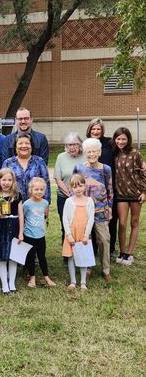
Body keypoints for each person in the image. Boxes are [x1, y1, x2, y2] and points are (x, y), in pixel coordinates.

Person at [73, 138, 113, 281]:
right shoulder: (79, 168)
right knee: (86, 240)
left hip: (100, 211)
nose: (91, 154)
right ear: (84, 153)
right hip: (83, 210)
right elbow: (74, 189)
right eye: (88, 151)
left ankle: (106, 269)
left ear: (99, 152)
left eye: (94, 151)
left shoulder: (105, 169)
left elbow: (110, 191)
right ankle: (87, 267)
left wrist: (109, 208)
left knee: (104, 239)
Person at [112, 127, 146, 265]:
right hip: (121, 194)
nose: (121, 141)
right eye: (118, 138)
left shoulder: (135, 154)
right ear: (115, 139)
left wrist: (144, 192)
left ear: (128, 139)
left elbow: (143, 174)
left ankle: (129, 254)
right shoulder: (113, 154)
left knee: (134, 222)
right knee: (122, 223)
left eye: (123, 139)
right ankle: (121, 252)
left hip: (136, 194)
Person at [0, 169, 24, 295]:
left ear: (13, 181)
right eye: (4, 180)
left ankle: (12, 283)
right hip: (1, 228)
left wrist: (21, 233)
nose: (6, 183)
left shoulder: (17, 196)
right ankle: (4, 284)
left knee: (13, 257)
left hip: (14, 227)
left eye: (9, 180)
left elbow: (21, 215)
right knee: (2, 257)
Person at [86, 118, 119, 255]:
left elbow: (122, 154)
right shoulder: (86, 143)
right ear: (89, 130)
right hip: (90, 190)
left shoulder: (110, 143)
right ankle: (92, 249)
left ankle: (109, 249)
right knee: (91, 220)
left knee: (110, 218)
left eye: (98, 129)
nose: (96, 131)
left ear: (102, 130)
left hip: (108, 186)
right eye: (93, 129)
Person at [62, 174, 95, 291]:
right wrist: (69, 235)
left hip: (83, 233)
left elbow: (91, 218)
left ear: (84, 186)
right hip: (72, 232)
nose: (78, 189)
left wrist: (86, 235)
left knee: (83, 256)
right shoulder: (69, 201)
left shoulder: (89, 201)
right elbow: (65, 218)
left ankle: (83, 282)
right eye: (75, 187)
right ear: (71, 188)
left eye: (80, 186)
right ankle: (72, 281)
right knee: (71, 257)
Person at [22, 177, 56, 288]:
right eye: (36, 189)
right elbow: (23, 217)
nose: (39, 192)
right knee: (31, 257)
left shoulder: (45, 203)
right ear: (30, 190)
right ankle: (32, 278)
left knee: (42, 256)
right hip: (29, 235)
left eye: (41, 189)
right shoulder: (26, 204)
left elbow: (45, 215)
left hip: (40, 235)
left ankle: (46, 277)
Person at [54, 132, 86, 243]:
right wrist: (71, 195)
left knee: (82, 225)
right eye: (69, 145)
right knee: (66, 225)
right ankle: (67, 254)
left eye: (75, 144)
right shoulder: (61, 157)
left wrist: (79, 195)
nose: (72, 147)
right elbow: (58, 179)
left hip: (83, 198)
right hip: (64, 198)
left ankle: (82, 251)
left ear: (80, 144)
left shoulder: (86, 156)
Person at [2, 132, 51, 203]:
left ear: (31, 146)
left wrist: (46, 203)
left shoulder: (39, 161)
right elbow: (2, 184)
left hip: (35, 205)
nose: (24, 146)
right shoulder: (8, 163)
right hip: (13, 204)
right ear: (15, 146)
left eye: (27, 143)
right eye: (20, 143)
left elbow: (46, 183)